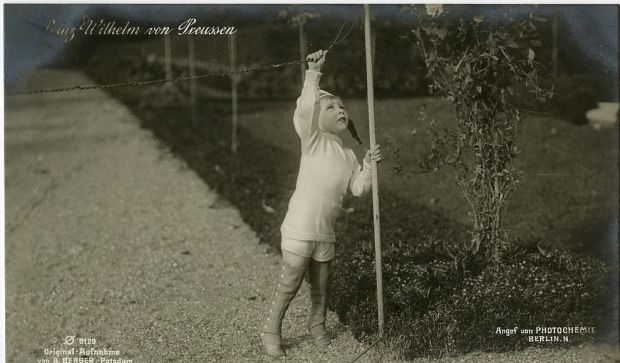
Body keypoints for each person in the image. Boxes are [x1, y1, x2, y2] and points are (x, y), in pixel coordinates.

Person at [260, 49, 382, 358]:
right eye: (331, 106)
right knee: (291, 280)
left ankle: (317, 324)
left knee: (321, 286)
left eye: (342, 106)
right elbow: (306, 109)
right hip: (301, 227)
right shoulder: (313, 141)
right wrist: (314, 74)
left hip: (326, 231)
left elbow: (357, 190)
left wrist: (367, 166)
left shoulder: (348, 155)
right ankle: (271, 329)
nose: (340, 110)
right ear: (318, 116)